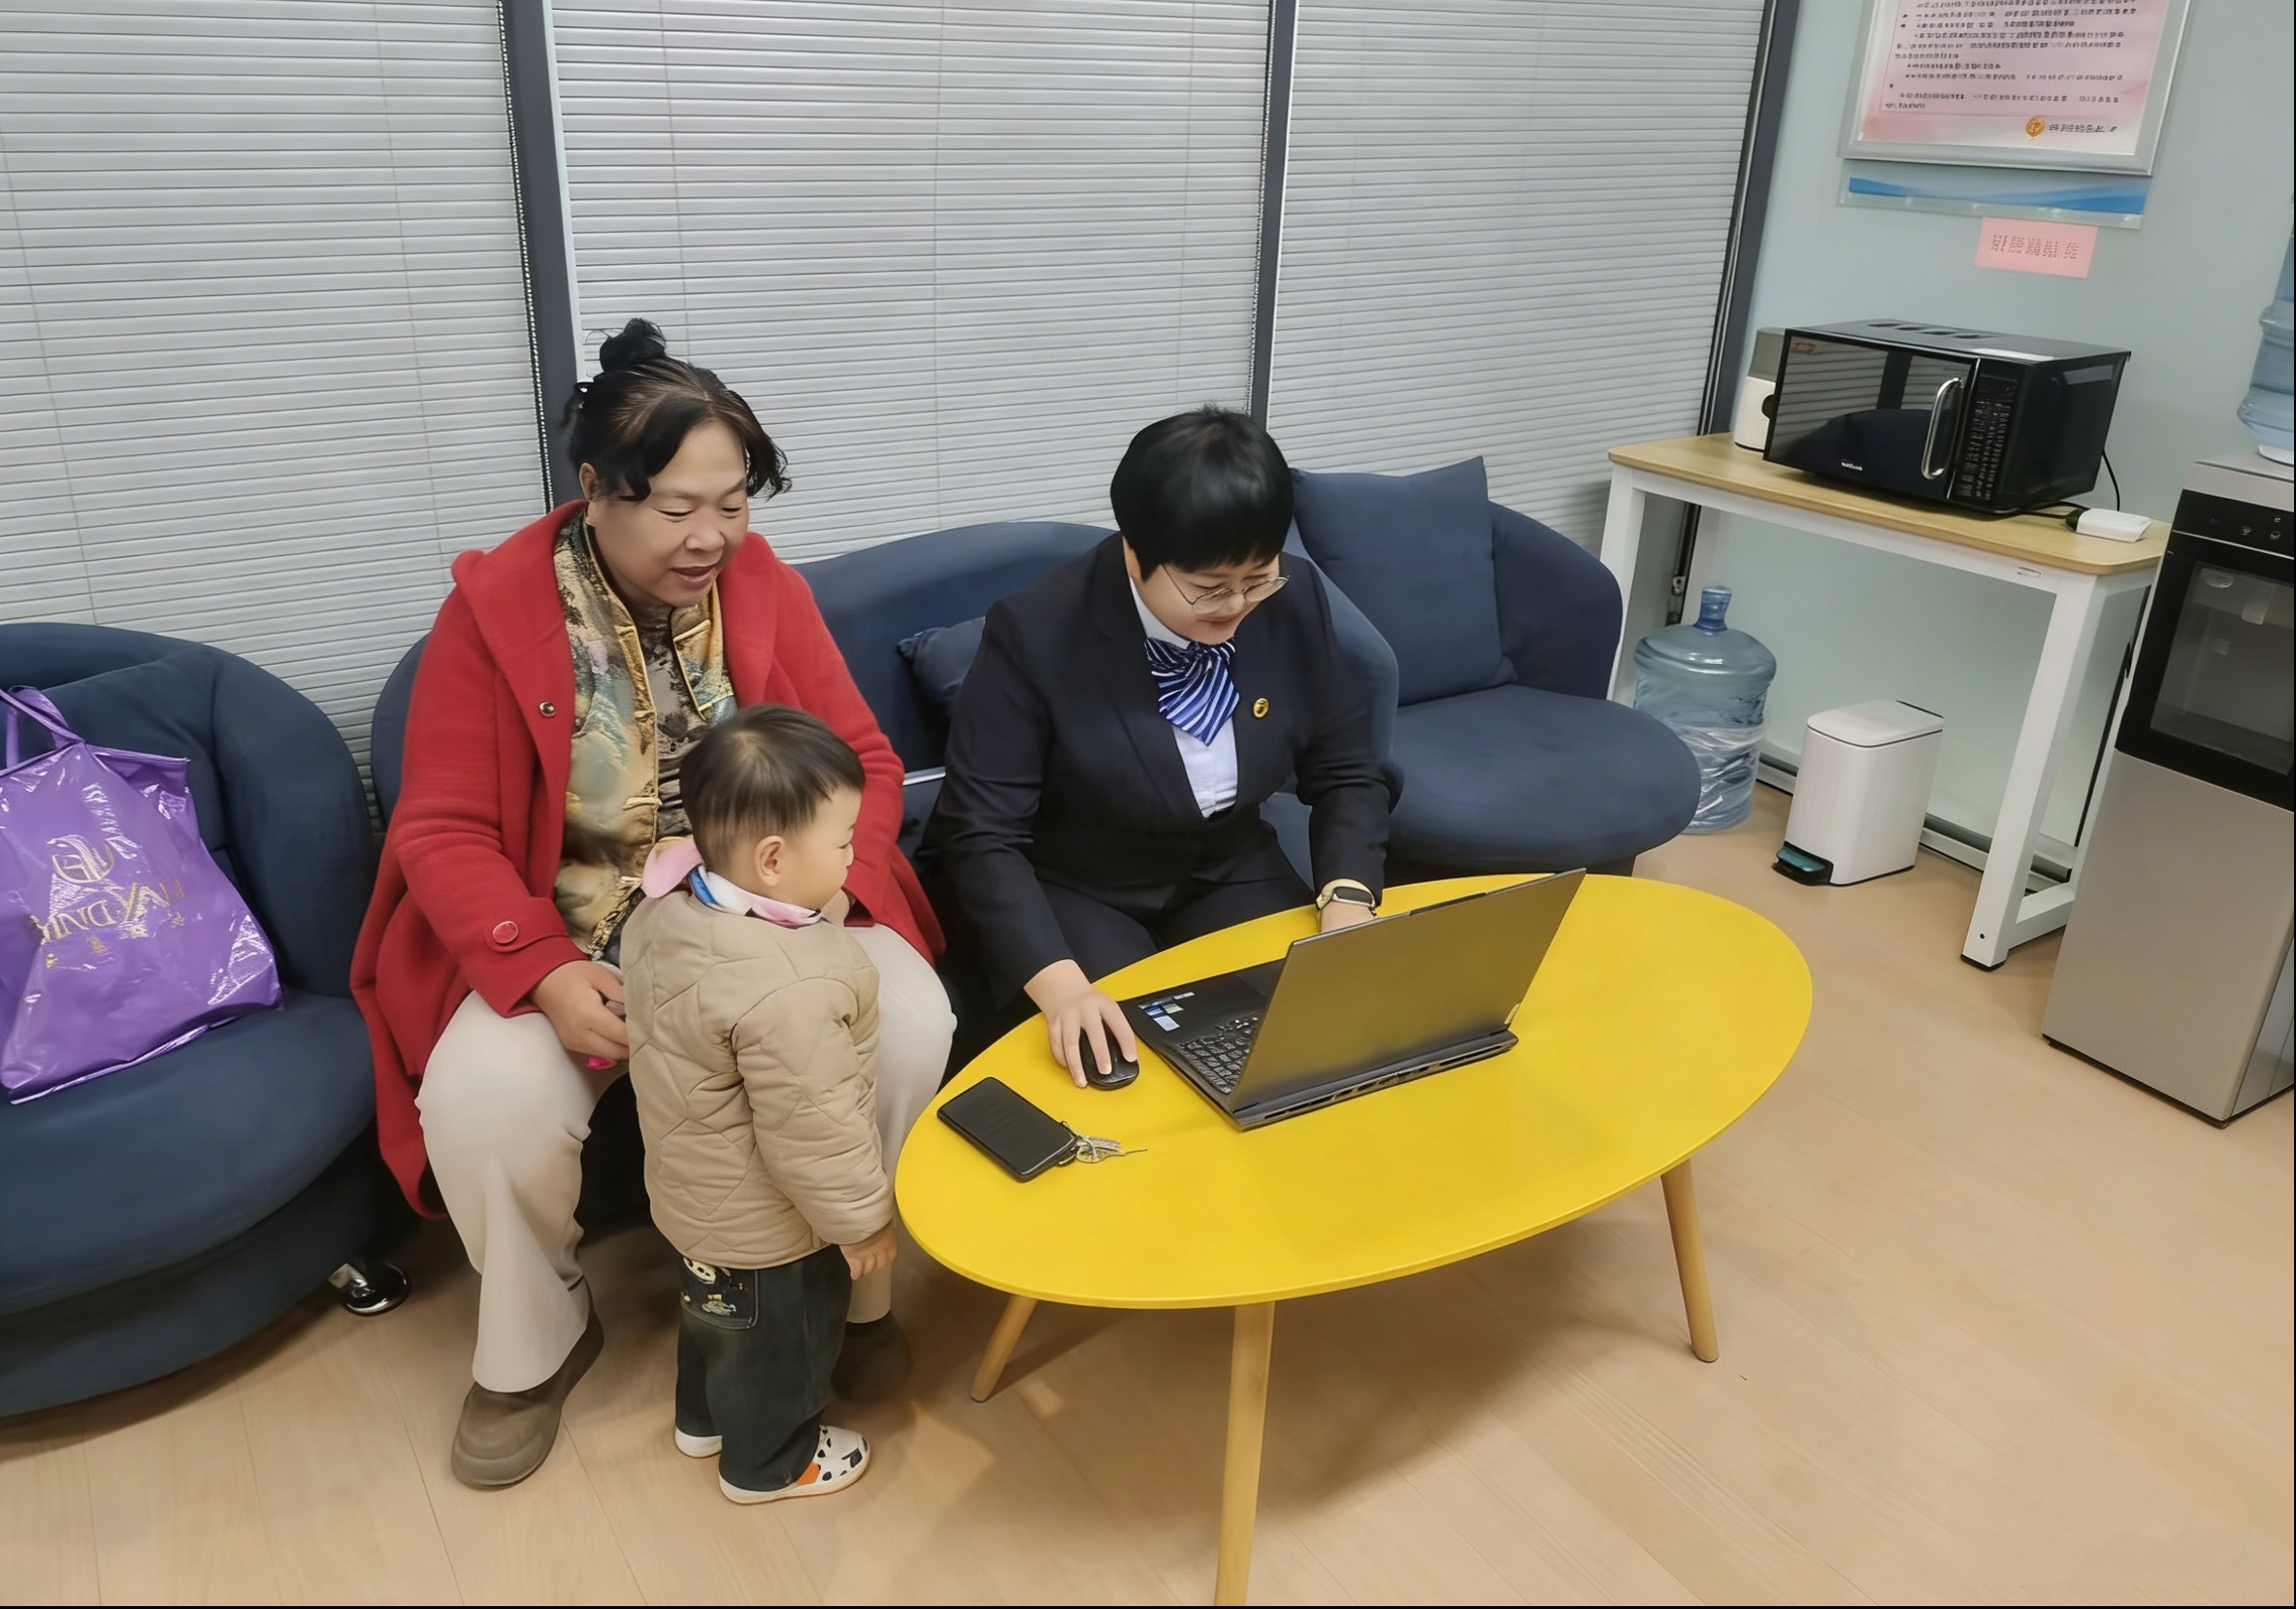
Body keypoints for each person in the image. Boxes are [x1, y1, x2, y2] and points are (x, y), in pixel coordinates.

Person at [351, 319, 954, 1489]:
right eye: (677, 507)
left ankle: (844, 1290)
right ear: (594, 487)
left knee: (911, 1018)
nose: (711, 535)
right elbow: (440, 827)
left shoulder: (764, 588)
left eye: (731, 503)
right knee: (484, 1098)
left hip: (765, 923)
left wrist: (823, 900)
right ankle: (531, 1344)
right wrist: (538, 967)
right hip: (576, 936)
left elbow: (867, 764)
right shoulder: (493, 612)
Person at [925, 407, 1391, 1084]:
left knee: (1321, 1029)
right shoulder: (1038, 632)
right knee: (1132, 1061)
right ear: (1135, 552)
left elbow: (1348, 769)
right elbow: (981, 832)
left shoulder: (1292, 598)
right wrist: (1062, 988)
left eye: (1257, 579)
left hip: (1228, 859)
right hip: (1082, 882)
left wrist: (1347, 900)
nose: (1237, 606)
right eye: (1208, 590)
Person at [620, 705, 890, 1504]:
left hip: (693, 1197)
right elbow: (815, 1128)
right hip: (774, 1228)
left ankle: (701, 1422)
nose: (853, 856)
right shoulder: (789, 989)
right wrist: (861, 1222)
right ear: (772, 860)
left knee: (715, 1322)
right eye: (843, 842)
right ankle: (770, 1464)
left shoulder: (667, 911)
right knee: (784, 1343)